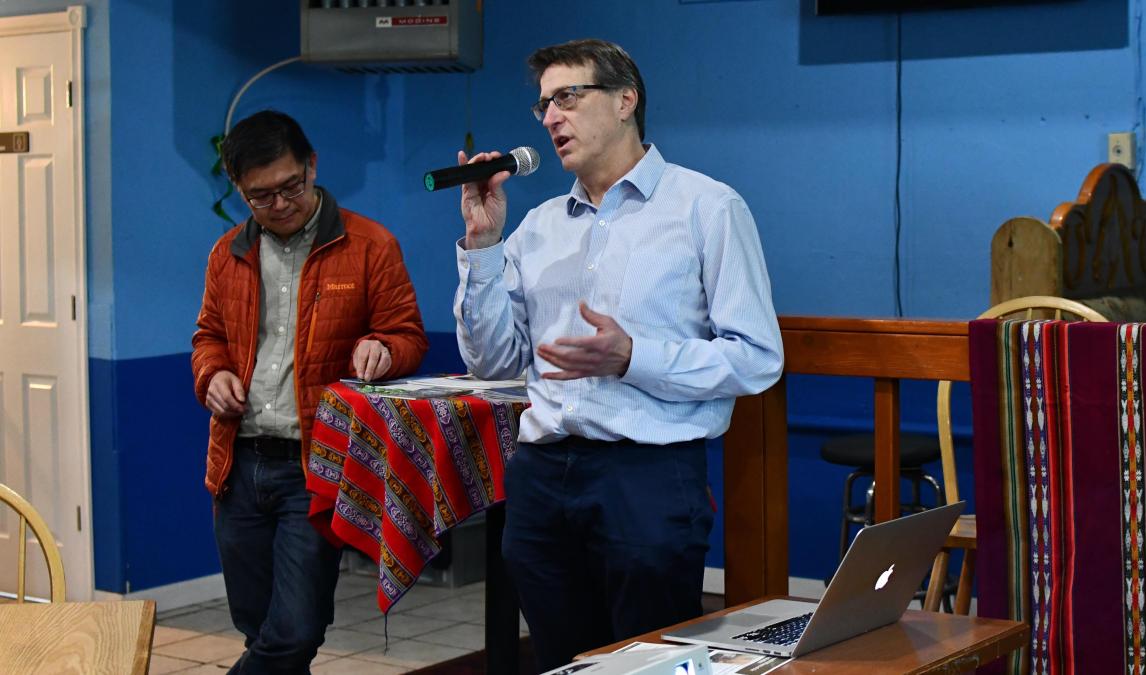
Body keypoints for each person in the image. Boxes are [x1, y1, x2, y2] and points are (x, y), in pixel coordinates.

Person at [452, 39, 784, 670]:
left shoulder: (706, 208)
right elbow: (492, 362)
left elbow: (756, 358)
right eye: (544, 105)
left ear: (627, 100)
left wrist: (634, 357)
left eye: (568, 98)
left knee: (648, 663)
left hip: (648, 477)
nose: (551, 117)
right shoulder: (540, 225)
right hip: (543, 476)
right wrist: (484, 246)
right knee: (561, 660)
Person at [192, 109, 428, 674]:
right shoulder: (228, 254)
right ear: (239, 189)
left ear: (312, 166)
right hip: (238, 462)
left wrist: (386, 350)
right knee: (260, 628)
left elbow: (408, 335)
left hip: (316, 465)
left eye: (290, 187)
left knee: (295, 630)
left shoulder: (370, 245)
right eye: (260, 196)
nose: (279, 204)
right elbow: (209, 337)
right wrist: (212, 375)